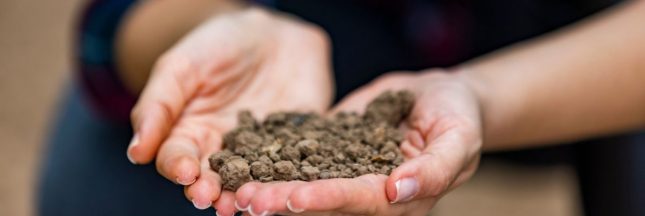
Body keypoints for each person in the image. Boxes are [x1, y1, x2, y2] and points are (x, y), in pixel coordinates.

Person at [38, 0, 645, 215]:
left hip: (595, 49)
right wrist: (216, 25)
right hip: (355, 21)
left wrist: (481, 94)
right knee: (110, 177)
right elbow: (120, 20)